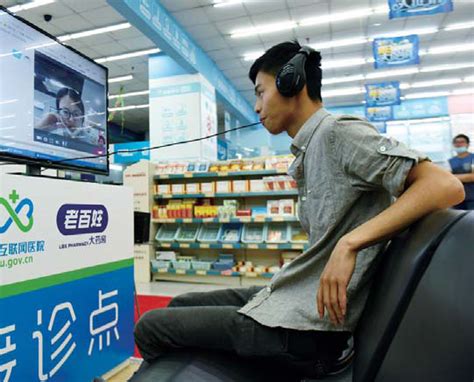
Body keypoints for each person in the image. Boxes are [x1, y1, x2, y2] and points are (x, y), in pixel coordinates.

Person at [134, 41, 465, 378]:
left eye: (261, 93)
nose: (257, 107)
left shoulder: (338, 134)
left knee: (151, 326)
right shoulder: (310, 149)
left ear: (292, 84)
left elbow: (444, 186)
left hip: (307, 330)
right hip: (298, 299)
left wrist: (349, 243)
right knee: (179, 304)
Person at [448, 134, 474, 210]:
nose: (459, 144)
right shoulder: (450, 161)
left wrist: (453, 177)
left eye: (462, 142)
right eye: (456, 142)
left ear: (468, 144)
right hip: (457, 198)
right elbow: (446, 179)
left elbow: (473, 177)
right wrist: (467, 176)